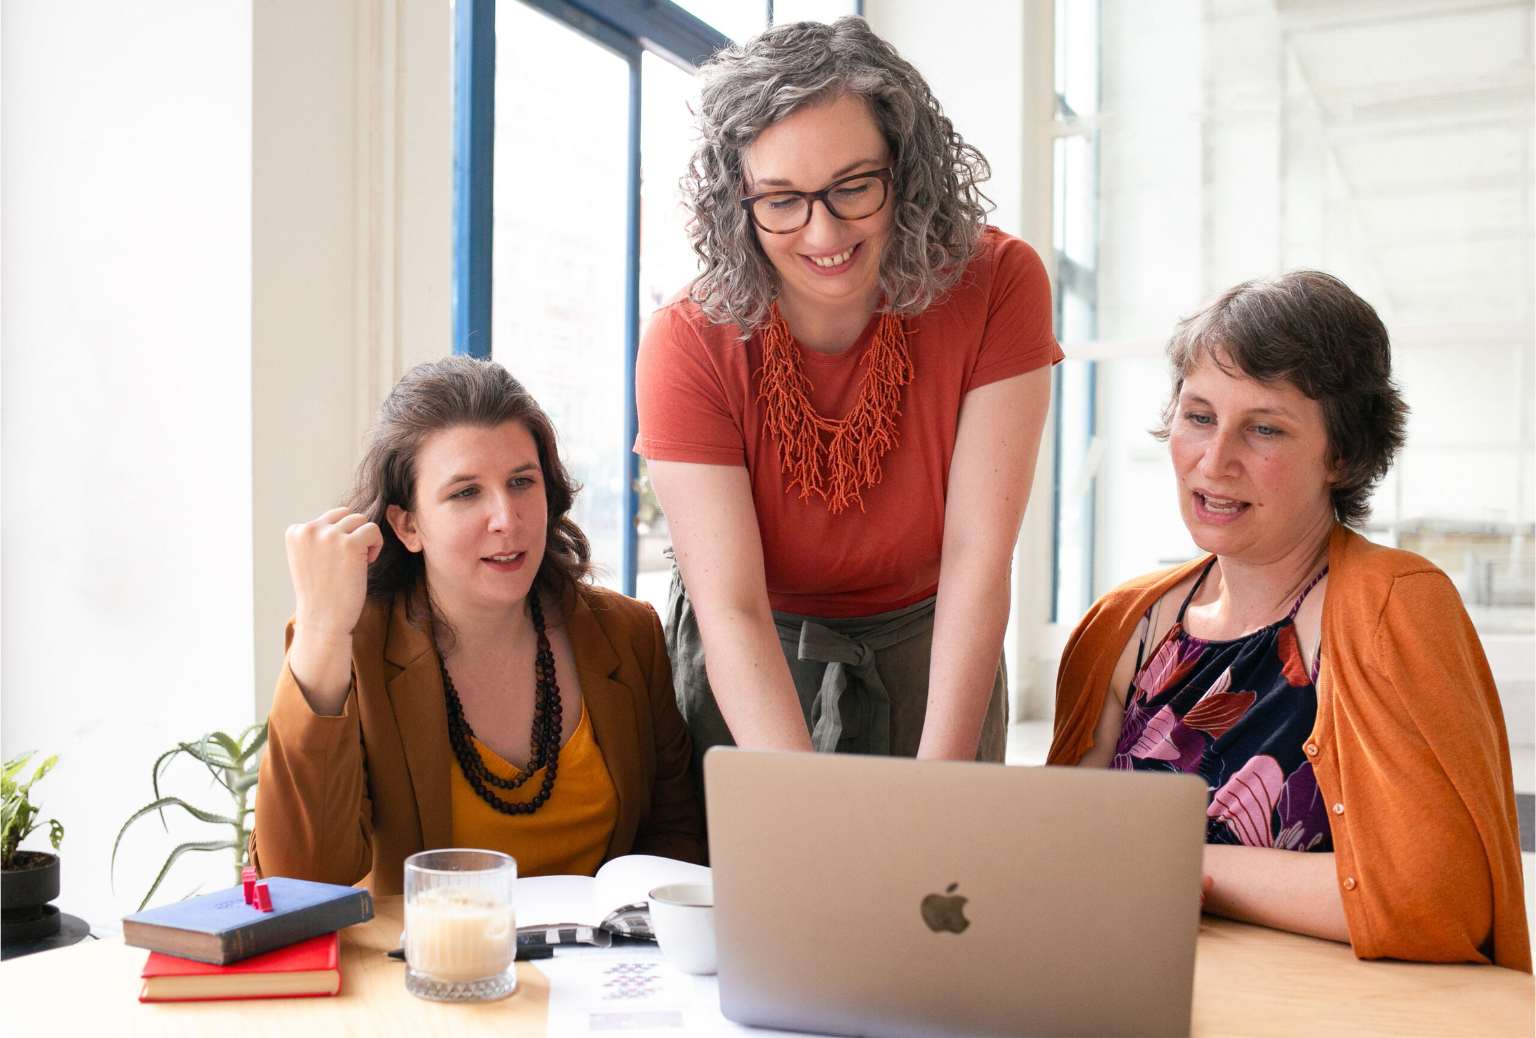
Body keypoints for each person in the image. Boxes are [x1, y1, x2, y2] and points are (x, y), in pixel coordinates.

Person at [1048, 272, 1530, 970]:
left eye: (1265, 428)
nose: (1215, 462)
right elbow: (1058, 855)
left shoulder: (1394, 606)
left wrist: (1186, 867)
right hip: (1146, 995)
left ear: (1343, 454)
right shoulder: (1124, 624)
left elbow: (1436, 903)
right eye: (1199, 416)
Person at [635, 17, 1061, 765]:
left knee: (940, 873)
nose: (823, 233)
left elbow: (977, 558)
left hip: (935, 640)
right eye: (781, 200)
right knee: (764, 875)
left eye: (853, 187)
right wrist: (805, 808)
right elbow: (730, 607)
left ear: (907, 167)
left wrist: (941, 779)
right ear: (738, 203)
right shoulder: (686, 336)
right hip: (753, 650)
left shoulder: (1000, 283)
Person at [251, 357, 705, 893]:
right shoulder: (350, 646)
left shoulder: (627, 633)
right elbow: (300, 878)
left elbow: (677, 842)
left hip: (604, 968)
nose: (506, 519)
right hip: (429, 971)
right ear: (407, 524)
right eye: (465, 492)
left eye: (521, 482)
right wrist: (323, 630)